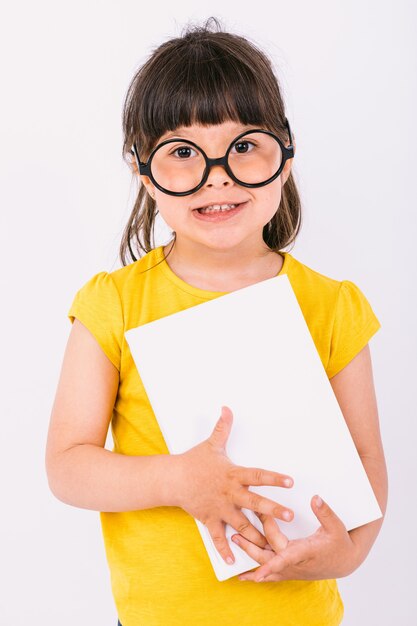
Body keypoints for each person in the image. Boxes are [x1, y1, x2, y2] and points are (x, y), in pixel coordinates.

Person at [45, 16, 388, 626]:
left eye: (243, 146)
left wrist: (350, 553)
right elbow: (68, 466)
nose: (219, 175)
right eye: (183, 153)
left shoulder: (334, 305)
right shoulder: (114, 303)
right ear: (143, 171)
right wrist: (179, 480)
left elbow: (366, 462)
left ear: (283, 156)